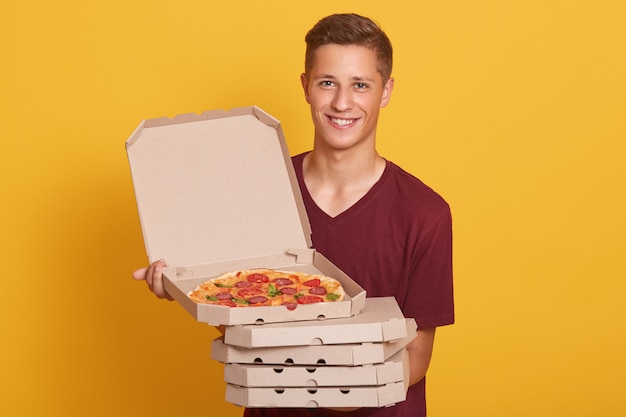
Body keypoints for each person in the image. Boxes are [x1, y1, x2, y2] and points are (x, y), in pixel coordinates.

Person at [133, 13, 454, 417]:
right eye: (327, 83)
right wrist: (186, 289)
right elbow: (244, 322)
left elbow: (415, 361)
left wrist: (302, 376)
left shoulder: (425, 213)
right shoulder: (259, 194)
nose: (342, 102)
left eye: (360, 85)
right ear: (305, 87)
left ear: (385, 91)